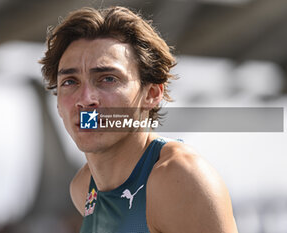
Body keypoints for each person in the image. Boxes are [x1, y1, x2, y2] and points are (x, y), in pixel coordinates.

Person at [40, 6, 238, 233]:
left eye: (107, 79)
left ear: (152, 94)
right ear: (58, 104)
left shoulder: (180, 178)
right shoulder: (83, 187)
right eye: (70, 82)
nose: (85, 100)